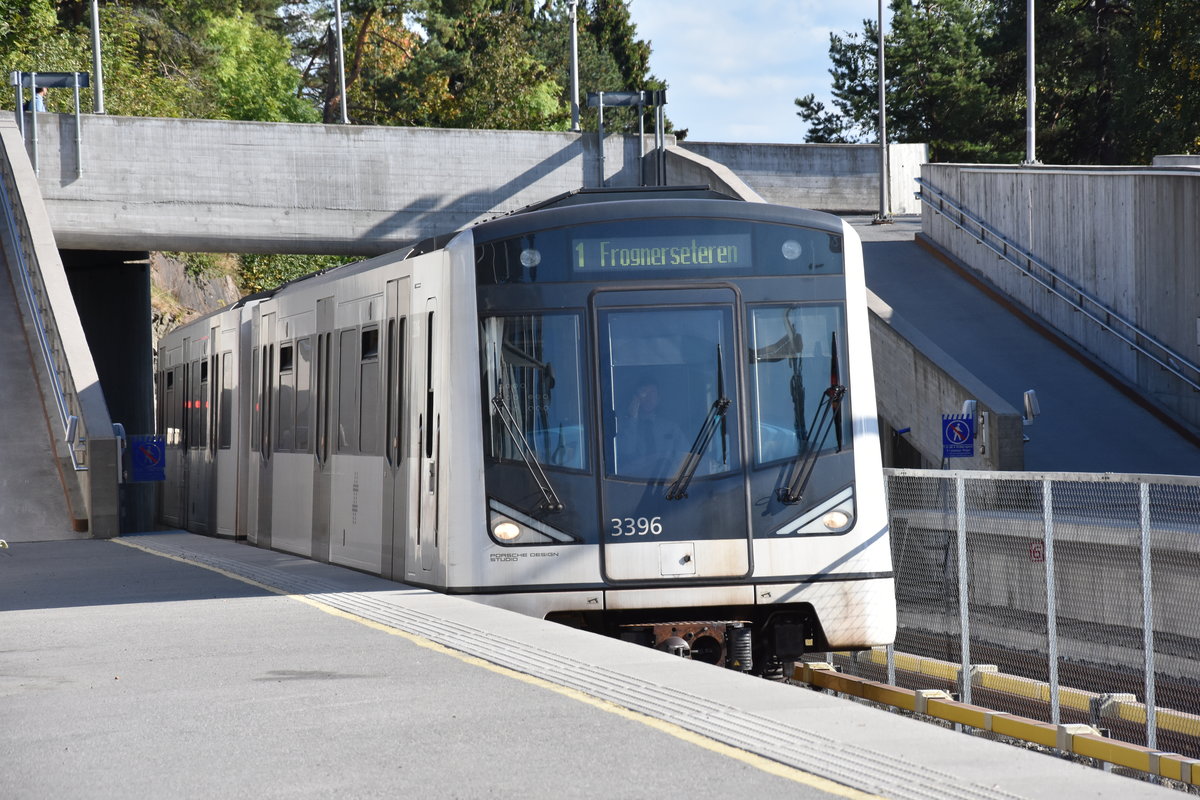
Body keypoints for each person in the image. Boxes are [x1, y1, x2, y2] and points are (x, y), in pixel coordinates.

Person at [614, 379, 685, 478]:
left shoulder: (671, 428)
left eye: (652, 393)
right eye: (644, 393)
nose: (649, 398)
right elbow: (626, 451)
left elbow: (686, 458)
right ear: (636, 399)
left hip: (668, 483)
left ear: (659, 398)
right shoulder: (623, 426)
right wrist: (632, 418)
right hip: (633, 481)